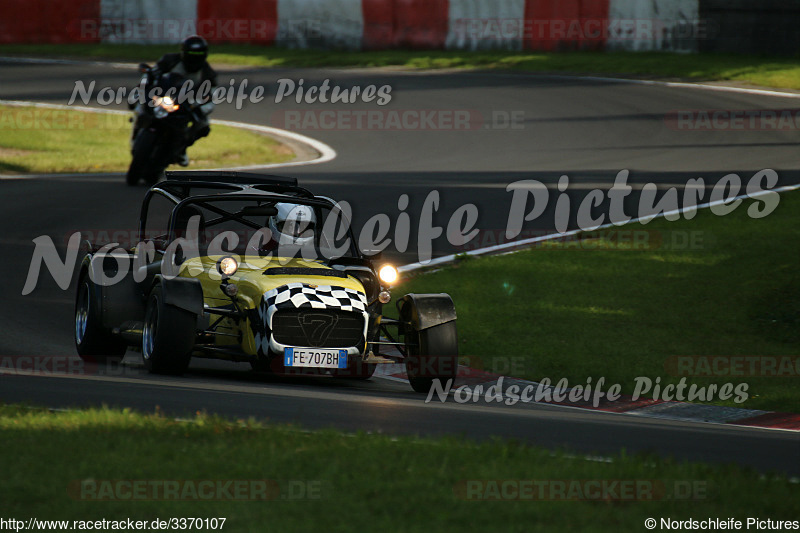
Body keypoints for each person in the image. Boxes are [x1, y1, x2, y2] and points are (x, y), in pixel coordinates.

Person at [133, 35, 217, 166]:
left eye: (198, 54)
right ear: (183, 52)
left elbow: (212, 96)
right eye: (191, 54)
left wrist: (201, 107)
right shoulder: (170, 60)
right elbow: (151, 73)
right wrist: (144, 86)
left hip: (186, 103)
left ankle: (182, 148)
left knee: (203, 125)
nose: (194, 58)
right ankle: (136, 134)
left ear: (204, 55)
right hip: (164, 95)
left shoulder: (208, 73)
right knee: (138, 105)